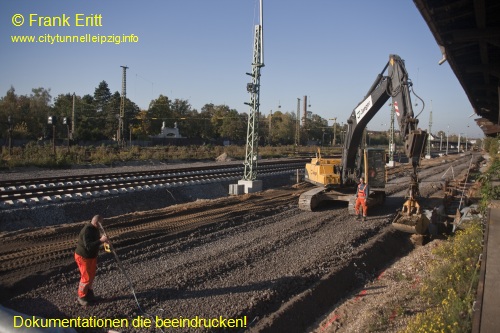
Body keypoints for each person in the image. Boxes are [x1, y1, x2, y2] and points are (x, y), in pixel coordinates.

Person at [74, 215, 108, 306]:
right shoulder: (87, 230)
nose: (102, 225)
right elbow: (88, 246)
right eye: (101, 223)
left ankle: (88, 294)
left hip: (91, 256)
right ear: (96, 222)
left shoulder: (95, 228)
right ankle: (81, 297)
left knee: (91, 275)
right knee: (86, 277)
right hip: (83, 256)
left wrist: (104, 240)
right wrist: (101, 240)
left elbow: (96, 240)